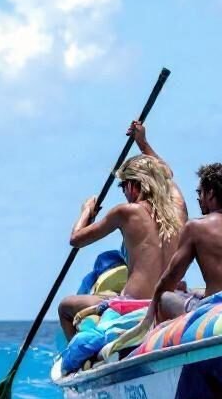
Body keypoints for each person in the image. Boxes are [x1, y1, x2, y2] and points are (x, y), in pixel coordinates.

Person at [57, 129, 186, 338]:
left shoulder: (126, 212)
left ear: (134, 185)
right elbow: (167, 174)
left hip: (135, 304)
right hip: (170, 299)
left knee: (65, 307)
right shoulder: (178, 208)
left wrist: (86, 211)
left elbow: (76, 239)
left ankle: (80, 365)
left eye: (124, 186)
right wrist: (143, 143)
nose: (125, 194)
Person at [149, 162, 222, 325]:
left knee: (165, 297)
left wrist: (149, 314)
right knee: (196, 291)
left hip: (221, 311)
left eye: (200, 192)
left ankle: (158, 339)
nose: (198, 198)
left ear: (211, 193)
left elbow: (169, 279)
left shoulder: (197, 227)